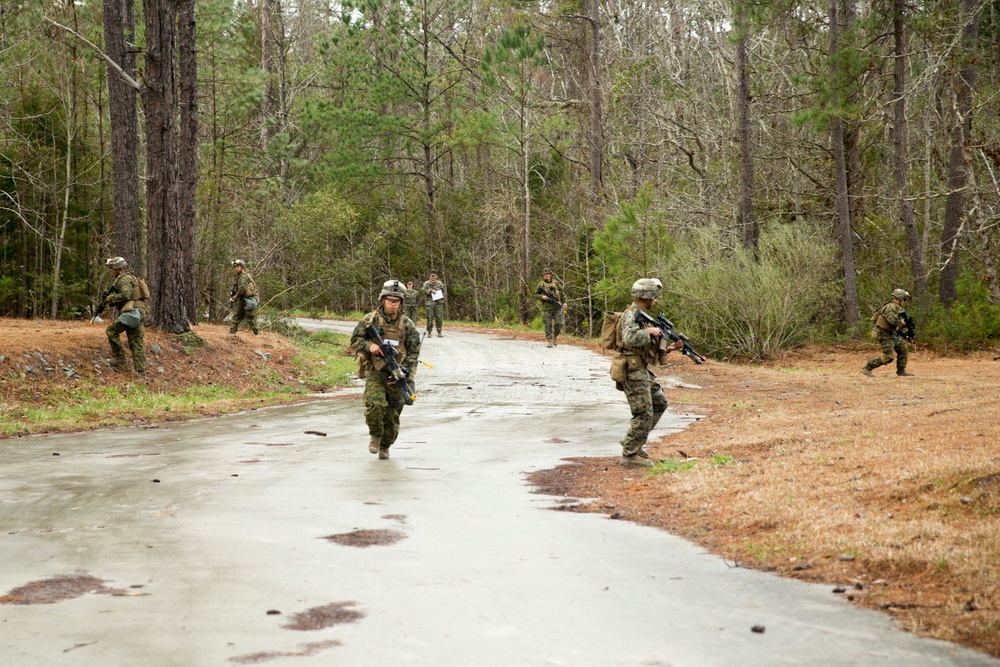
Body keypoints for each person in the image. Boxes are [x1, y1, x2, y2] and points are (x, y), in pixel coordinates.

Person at [350, 280, 422, 459]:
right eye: (389, 299)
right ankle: (375, 436)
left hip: (398, 375)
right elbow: (354, 340)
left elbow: (414, 353)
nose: (392, 303)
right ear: (382, 299)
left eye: (396, 300)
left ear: (401, 302)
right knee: (375, 405)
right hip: (376, 371)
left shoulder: (408, 325)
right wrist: (369, 346)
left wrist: (403, 372)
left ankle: (385, 445)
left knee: (392, 416)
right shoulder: (370, 320)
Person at [616, 278, 684, 467]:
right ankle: (629, 455)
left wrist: (670, 349)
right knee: (643, 412)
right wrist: (650, 332)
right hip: (632, 370)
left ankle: (634, 441)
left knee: (660, 403)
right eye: (655, 295)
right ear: (647, 296)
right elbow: (629, 339)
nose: (656, 299)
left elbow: (646, 349)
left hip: (641, 369)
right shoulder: (631, 315)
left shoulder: (642, 316)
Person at [103, 256, 147, 375]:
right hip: (139, 311)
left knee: (111, 330)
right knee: (136, 341)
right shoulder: (130, 277)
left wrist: (110, 298)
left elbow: (126, 295)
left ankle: (119, 357)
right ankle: (140, 371)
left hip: (132, 312)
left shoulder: (124, 279)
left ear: (117, 268)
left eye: (112, 268)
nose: (111, 271)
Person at [862, 288, 913, 377]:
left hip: (891, 333)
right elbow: (893, 321)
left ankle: (901, 371)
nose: (904, 302)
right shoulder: (891, 307)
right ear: (899, 299)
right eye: (904, 300)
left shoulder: (896, 308)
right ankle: (867, 368)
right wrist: (902, 323)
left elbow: (895, 326)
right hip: (884, 334)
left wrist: (905, 334)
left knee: (903, 349)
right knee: (889, 356)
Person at [535, 268, 566, 347]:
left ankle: (555, 336)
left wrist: (564, 302)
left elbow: (562, 292)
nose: (546, 275)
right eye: (545, 274)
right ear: (543, 275)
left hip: (557, 307)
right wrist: (542, 297)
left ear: (550, 274)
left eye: (548, 274)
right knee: (547, 325)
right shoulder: (541, 284)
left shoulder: (555, 283)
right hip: (546, 308)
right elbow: (535, 294)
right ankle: (550, 340)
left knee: (559, 324)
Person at [229, 259, 260, 335]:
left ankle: (257, 334)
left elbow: (243, 288)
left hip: (248, 300)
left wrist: (236, 296)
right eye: (234, 267)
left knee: (251, 319)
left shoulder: (244, 276)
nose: (235, 268)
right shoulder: (241, 276)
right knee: (236, 318)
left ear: (242, 267)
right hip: (243, 301)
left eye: (237, 266)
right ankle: (231, 334)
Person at [422, 271, 446, 338]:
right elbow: (424, 291)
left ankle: (439, 331)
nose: (433, 278)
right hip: (430, 303)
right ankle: (429, 332)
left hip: (438, 303)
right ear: (429, 277)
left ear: (436, 276)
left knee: (439, 317)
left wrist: (441, 299)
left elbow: (443, 292)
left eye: (434, 276)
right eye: (431, 276)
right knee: (429, 318)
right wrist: (430, 291)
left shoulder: (440, 283)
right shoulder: (426, 284)